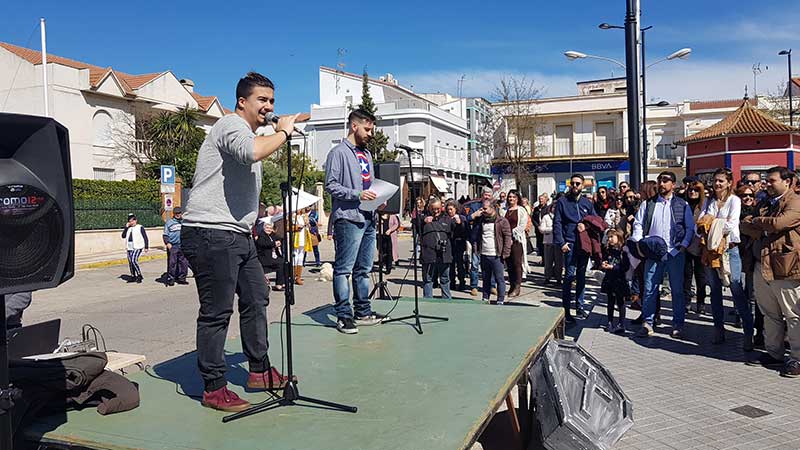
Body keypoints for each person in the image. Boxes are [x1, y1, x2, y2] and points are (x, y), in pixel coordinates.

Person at [180, 72, 298, 412]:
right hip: (211, 232)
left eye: (272, 101)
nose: (269, 106)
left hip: (238, 234)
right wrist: (283, 131)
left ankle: (259, 370)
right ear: (242, 101)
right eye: (262, 100)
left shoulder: (249, 134)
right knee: (217, 311)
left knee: (256, 297)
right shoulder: (230, 126)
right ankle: (214, 387)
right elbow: (250, 153)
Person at [324, 108, 386, 335]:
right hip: (348, 218)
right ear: (354, 126)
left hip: (369, 217)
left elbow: (367, 187)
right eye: (367, 129)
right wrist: (357, 195)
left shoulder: (367, 155)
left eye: (372, 129)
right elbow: (330, 185)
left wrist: (377, 199)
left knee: (364, 269)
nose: (370, 133)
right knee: (344, 270)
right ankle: (343, 315)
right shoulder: (338, 152)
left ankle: (363, 311)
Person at [742, 166, 800, 377]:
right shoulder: (766, 203)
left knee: (793, 314)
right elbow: (744, 226)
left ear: (787, 181)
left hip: (786, 266)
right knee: (770, 313)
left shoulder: (795, 201)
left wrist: (759, 223)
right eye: (767, 180)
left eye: (772, 180)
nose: (767, 183)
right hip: (762, 264)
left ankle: (797, 358)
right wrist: (762, 224)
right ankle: (774, 353)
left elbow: (781, 223)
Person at [632, 171, 695, 339]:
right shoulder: (648, 204)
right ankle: (648, 323)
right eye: (660, 180)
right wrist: (639, 242)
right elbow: (638, 223)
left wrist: (684, 245)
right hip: (653, 253)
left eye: (665, 181)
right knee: (650, 289)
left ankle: (678, 324)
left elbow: (690, 227)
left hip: (675, 252)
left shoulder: (683, 204)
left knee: (677, 291)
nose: (661, 184)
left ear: (673, 184)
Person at [699, 168, 754, 348]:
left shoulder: (734, 200)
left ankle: (748, 332)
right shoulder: (709, 201)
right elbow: (699, 223)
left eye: (721, 181)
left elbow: (731, 224)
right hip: (711, 250)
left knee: (736, 289)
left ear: (729, 182)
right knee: (714, 291)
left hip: (729, 250)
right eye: (715, 180)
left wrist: (712, 223)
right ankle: (718, 329)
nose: (717, 184)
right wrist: (711, 224)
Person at [553, 173, 596, 323]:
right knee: (569, 277)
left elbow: (595, 220)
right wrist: (561, 242)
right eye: (573, 183)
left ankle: (580, 306)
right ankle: (566, 309)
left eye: (578, 183)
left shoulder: (587, 203)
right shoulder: (562, 202)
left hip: (583, 245)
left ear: (583, 186)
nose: (575, 186)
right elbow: (557, 223)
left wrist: (587, 225)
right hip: (570, 244)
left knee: (581, 276)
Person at [738, 183, 765, 348]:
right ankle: (747, 326)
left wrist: (750, 225)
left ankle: (757, 332)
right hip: (737, 256)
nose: (747, 199)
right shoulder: (735, 211)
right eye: (744, 196)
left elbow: (758, 231)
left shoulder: (757, 211)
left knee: (755, 297)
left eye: (750, 196)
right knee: (743, 293)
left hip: (751, 258)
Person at [471, 200, 512, 304]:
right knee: (486, 278)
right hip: (484, 253)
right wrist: (476, 248)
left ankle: (500, 299)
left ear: (493, 208)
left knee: (499, 278)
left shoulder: (502, 221)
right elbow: (475, 235)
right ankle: (485, 298)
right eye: (482, 208)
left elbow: (507, 236)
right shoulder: (480, 220)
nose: (482, 210)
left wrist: (506, 252)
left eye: (485, 208)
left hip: (496, 254)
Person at [421, 199, 455, 299]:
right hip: (428, 254)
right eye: (433, 209)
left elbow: (459, 232)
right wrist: (424, 220)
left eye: (438, 209)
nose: (436, 211)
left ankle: (447, 300)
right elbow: (415, 222)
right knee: (428, 279)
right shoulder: (424, 218)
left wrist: (459, 222)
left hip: (444, 254)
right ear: (429, 208)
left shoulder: (447, 219)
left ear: (442, 208)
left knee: (445, 279)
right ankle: (427, 300)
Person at [683, 181, 707, 314]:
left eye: (696, 190)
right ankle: (687, 301)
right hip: (686, 243)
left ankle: (701, 302)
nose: (692, 192)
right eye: (691, 190)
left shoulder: (704, 205)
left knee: (700, 275)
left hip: (700, 244)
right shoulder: (684, 204)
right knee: (686, 275)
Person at [600, 230, 630, 334]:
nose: (609, 239)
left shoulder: (623, 252)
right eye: (608, 237)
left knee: (620, 302)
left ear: (618, 237)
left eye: (612, 237)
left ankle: (622, 323)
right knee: (610, 301)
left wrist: (613, 267)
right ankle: (609, 322)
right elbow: (604, 260)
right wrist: (603, 264)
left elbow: (625, 267)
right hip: (609, 279)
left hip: (619, 280)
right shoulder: (608, 250)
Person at [469, 187, 495, 296]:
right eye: (485, 194)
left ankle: (492, 285)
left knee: (491, 264)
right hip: (477, 238)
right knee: (475, 264)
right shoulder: (475, 206)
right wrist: (474, 215)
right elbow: (467, 219)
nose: (487, 197)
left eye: (489, 195)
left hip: (490, 239)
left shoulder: (495, 207)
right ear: (482, 194)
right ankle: (474, 286)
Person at [504, 190, 529, 298]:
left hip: (516, 240)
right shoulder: (505, 210)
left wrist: (512, 234)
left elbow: (522, 225)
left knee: (517, 263)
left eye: (513, 197)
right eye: (510, 197)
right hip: (506, 240)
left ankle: (517, 286)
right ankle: (512, 284)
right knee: (509, 264)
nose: (511, 199)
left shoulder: (521, 210)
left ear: (517, 198)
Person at [445, 201, 469, 291]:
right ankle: (452, 282)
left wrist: (460, 224)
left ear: (456, 209)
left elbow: (465, 231)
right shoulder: (446, 219)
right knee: (451, 265)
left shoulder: (461, 218)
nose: (450, 211)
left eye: (451, 209)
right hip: (449, 244)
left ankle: (462, 281)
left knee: (460, 264)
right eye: (448, 210)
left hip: (459, 243)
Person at [162, 207, 189, 286]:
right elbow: (165, 234)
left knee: (183, 263)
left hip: (182, 245)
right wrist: (167, 243)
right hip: (173, 246)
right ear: (174, 214)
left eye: (179, 213)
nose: (178, 215)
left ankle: (182, 278)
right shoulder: (169, 223)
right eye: (176, 213)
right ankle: (171, 278)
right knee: (172, 263)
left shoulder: (184, 223)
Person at [256, 221, 285, 291]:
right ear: (264, 228)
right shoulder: (261, 236)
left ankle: (282, 282)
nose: (268, 229)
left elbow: (279, 238)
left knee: (285, 262)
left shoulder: (272, 235)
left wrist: (279, 241)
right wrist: (274, 244)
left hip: (273, 256)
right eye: (267, 228)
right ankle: (279, 285)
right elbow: (263, 244)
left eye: (270, 228)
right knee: (280, 263)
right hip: (265, 258)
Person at [539, 203, 563, 285]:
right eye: (554, 207)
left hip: (558, 242)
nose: (555, 209)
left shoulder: (561, 217)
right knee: (548, 261)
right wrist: (552, 229)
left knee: (559, 262)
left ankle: (558, 278)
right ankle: (547, 277)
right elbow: (541, 229)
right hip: (548, 242)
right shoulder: (546, 217)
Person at [122, 213, 149, 283]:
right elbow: (123, 236)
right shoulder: (129, 228)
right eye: (130, 221)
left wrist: (146, 246)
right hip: (129, 247)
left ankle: (139, 275)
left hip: (138, 246)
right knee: (130, 262)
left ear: (136, 220)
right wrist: (126, 227)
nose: (131, 222)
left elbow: (145, 237)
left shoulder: (140, 227)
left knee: (134, 260)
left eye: (132, 221)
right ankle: (133, 276)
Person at [292, 209, 311, 285]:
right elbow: (287, 227)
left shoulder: (304, 216)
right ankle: (293, 276)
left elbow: (308, 227)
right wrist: (296, 227)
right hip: (295, 238)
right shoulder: (292, 216)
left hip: (304, 238)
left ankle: (298, 277)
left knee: (301, 256)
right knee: (295, 255)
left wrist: (307, 223)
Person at [532, 194, 549, 260]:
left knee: (545, 245)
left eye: (542, 199)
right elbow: (533, 218)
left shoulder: (547, 208)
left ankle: (546, 259)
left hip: (545, 229)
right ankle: (542, 258)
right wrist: (537, 226)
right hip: (538, 229)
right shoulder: (536, 209)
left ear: (545, 200)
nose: (540, 200)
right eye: (539, 199)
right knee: (540, 244)